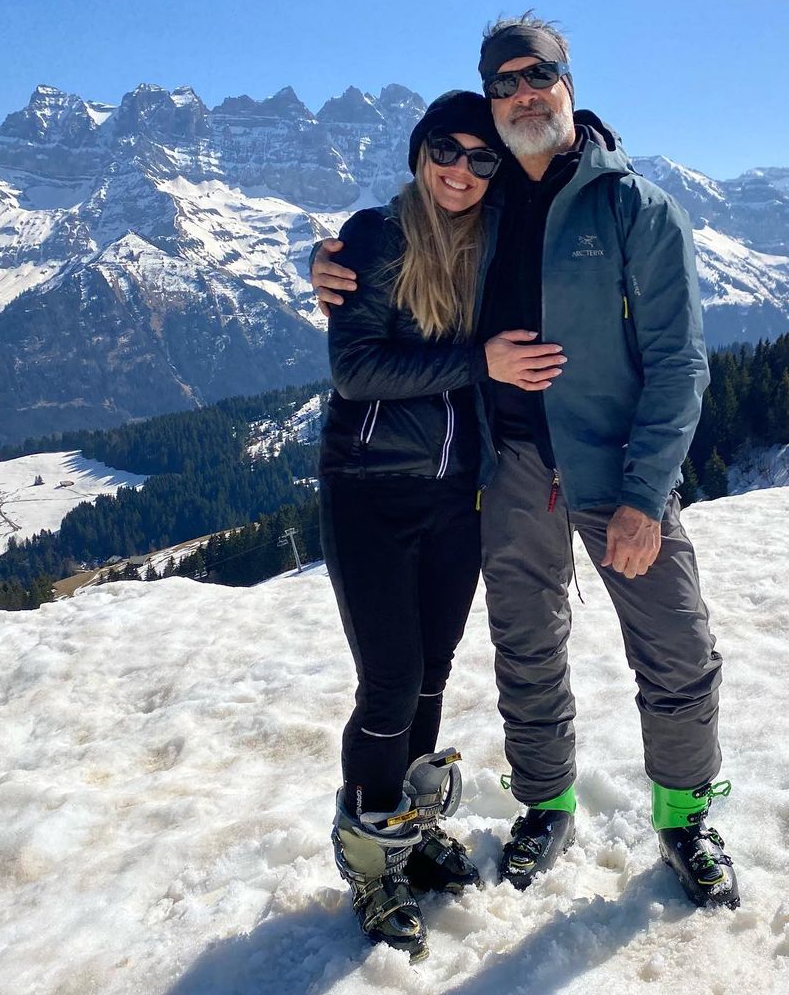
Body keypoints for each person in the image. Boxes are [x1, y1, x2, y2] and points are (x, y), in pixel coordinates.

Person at [312, 14, 739, 910]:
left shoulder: (637, 209)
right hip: (509, 466)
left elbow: (680, 363)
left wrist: (645, 497)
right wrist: (329, 264)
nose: (519, 96)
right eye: (501, 84)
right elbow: (408, 236)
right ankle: (546, 805)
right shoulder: (489, 201)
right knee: (525, 647)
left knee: (676, 647)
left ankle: (686, 817)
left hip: (619, 472)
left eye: (533, 75)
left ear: (566, 78)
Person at [321, 91, 511, 962]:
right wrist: (476, 360)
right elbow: (356, 371)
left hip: (455, 495)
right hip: (368, 489)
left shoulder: (497, 240)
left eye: (482, 156)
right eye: (448, 148)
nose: (463, 169)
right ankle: (371, 862)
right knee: (391, 680)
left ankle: (407, 822)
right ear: (419, 151)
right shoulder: (377, 236)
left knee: (431, 674)